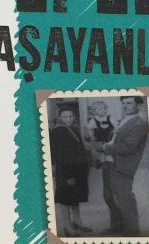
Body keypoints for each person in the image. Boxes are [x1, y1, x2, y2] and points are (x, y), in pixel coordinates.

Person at [102, 96, 149, 235]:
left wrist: (104, 148)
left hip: (122, 166)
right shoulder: (121, 120)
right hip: (108, 163)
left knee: (124, 199)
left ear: (138, 106)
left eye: (129, 103)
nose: (125, 106)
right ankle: (117, 226)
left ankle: (132, 231)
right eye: (123, 103)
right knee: (109, 197)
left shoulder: (140, 124)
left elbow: (129, 147)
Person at [50, 104, 91, 236]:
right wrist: (68, 176)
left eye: (70, 116)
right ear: (60, 117)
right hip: (66, 171)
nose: (68, 119)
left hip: (77, 169)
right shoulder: (58, 131)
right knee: (65, 199)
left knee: (75, 197)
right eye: (65, 117)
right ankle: (67, 227)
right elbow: (59, 155)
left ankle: (78, 222)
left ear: (74, 117)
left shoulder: (73, 129)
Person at [86, 100, 122, 232]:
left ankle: (118, 223)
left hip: (110, 150)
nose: (102, 111)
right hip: (102, 150)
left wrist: (111, 142)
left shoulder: (111, 118)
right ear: (94, 111)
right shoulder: (93, 121)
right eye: (99, 109)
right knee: (108, 193)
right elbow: (90, 134)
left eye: (104, 109)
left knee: (111, 194)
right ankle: (117, 223)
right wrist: (93, 141)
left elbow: (116, 130)